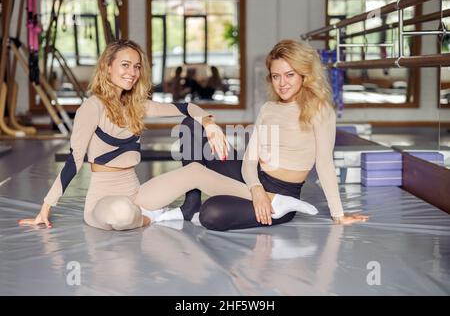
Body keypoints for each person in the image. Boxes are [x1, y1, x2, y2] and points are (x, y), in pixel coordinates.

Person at [18, 39, 309, 231]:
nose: (132, 72)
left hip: (137, 193)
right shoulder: (90, 108)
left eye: (136, 66)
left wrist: (208, 123)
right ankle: (150, 218)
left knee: (195, 169)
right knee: (121, 213)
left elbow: (186, 107)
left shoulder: (138, 105)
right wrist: (46, 207)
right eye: (124, 65)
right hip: (104, 202)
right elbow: (73, 160)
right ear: (107, 67)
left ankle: (272, 200)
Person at [157, 39, 369, 230]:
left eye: (290, 75)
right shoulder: (269, 108)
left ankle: (268, 202)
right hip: (251, 177)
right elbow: (249, 161)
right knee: (191, 125)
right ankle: (190, 205)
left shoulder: (320, 109)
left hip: (283, 192)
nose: (282, 83)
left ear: (305, 74)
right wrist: (256, 189)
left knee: (211, 214)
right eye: (276, 76)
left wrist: (338, 215)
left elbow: (324, 163)